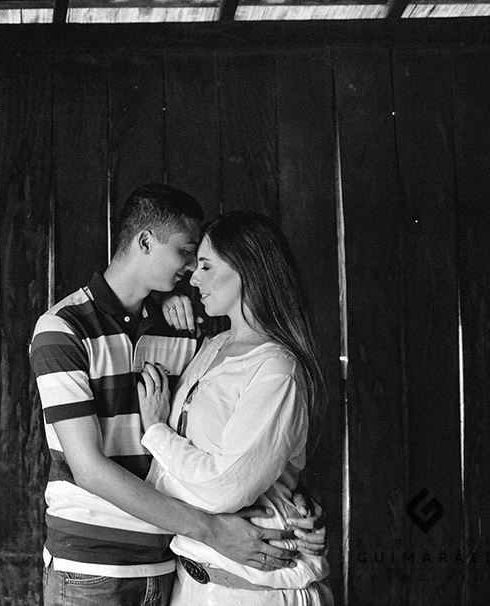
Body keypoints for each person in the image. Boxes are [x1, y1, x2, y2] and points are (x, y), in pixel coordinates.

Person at [31, 185, 324, 606]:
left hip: (170, 563)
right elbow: (89, 469)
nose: (191, 270)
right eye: (187, 253)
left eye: (201, 260)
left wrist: (293, 502)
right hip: (95, 568)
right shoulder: (64, 329)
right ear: (145, 241)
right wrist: (210, 529)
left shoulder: (190, 332)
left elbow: (243, 439)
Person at [138, 210, 333, 605]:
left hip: (257, 591)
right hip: (191, 583)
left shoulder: (277, 368)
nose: (194, 278)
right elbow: (168, 476)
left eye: (207, 266)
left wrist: (156, 431)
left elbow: (224, 489)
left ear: (246, 270)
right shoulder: (211, 348)